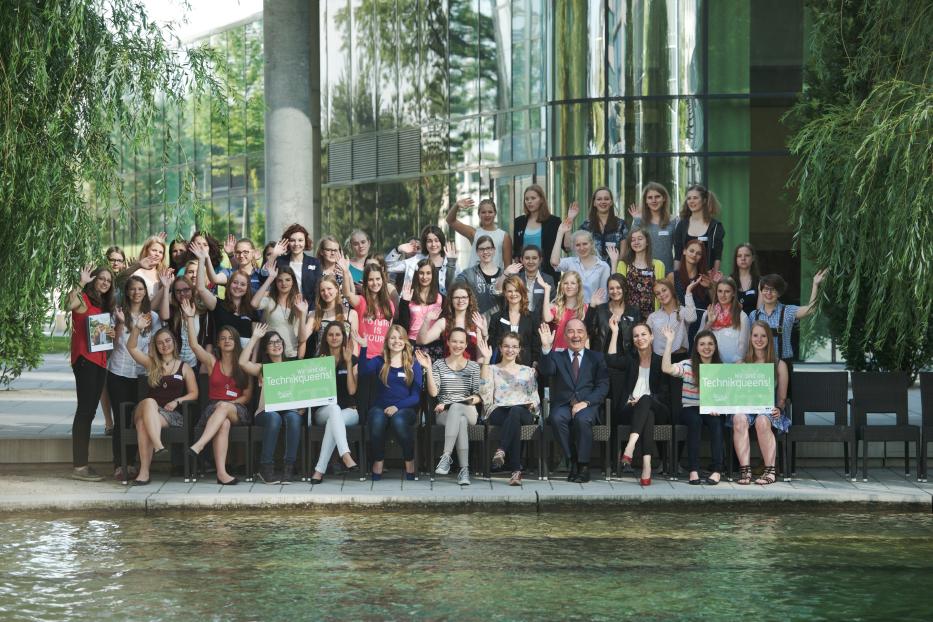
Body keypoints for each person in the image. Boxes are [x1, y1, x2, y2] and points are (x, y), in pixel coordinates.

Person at [183, 301, 253, 485]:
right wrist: (190, 318)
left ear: (236, 341)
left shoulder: (244, 364)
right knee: (224, 424)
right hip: (214, 410)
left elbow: (247, 396)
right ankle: (222, 474)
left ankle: (199, 445)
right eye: (223, 338)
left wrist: (230, 404)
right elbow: (194, 346)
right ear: (218, 343)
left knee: (223, 408)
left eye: (230, 338)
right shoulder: (212, 362)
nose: (227, 340)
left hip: (239, 410)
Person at [125, 320, 198, 485]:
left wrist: (178, 401)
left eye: (167, 341)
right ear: (155, 346)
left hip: (168, 415)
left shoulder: (184, 367)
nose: (164, 345)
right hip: (144, 408)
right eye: (160, 343)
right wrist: (137, 328)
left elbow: (194, 393)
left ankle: (144, 473)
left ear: (173, 342)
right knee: (149, 402)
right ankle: (158, 446)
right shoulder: (151, 364)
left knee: (144, 425)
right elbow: (131, 347)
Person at [537, 319, 610, 483]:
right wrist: (546, 348)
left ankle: (583, 467)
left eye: (580, 331)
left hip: (587, 405)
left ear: (586, 335)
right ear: (564, 335)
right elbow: (547, 370)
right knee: (556, 418)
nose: (575, 335)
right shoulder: (556, 356)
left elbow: (603, 386)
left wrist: (586, 403)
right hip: (563, 405)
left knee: (582, 419)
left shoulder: (596, 357)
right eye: (570, 331)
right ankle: (573, 460)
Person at [238, 323, 306, 484]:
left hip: (289, 410)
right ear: (266, 349)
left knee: (295, 418)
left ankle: (289, 468)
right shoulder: (263, 368)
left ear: (283, 344)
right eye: (271, 343)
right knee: (275, 418)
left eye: (278, 341)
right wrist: (255, 337)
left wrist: (303, 406)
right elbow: (242, 363)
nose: (276, 345)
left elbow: (304, 389)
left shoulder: (292, 367)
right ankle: (266, 468)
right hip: (266, 413)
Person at [107, 275, 160, 480]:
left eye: (140, 289)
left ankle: (135, 462)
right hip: (119, 371)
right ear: (126, 292)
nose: (136, 293)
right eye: (132, 289)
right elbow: (110, 344)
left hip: (141, 374)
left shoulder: (152, 318)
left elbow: (155, 347)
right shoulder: (118, 313)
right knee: (121, 420)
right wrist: (120, 323)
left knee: (136, 419)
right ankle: (121, 464)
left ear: (145, 292)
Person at [68, 264, 116, 481]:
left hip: (99, 362)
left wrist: (110, 333)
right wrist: (81, 281)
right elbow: (69, 302)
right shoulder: (83, 300)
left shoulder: (103, 306)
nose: (105, 282)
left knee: (89, 412)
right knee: (85, 411)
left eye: (108, 280)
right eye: (101, 278)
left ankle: (82, 464)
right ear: (94, 280)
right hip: (85, 361)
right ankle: (80, 467)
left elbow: (100, 337)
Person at [609, 321, 671, 487]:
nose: (639, 338)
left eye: (643, 334)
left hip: (658, 408)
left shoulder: (659, 361)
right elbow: (611, 360)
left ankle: (630, 446)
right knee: (646, 413)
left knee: (646, 400)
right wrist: (615, 332)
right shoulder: (630, 360)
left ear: (651, 337)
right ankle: (647, 466)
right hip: (630, 409)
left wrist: (670, 341)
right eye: (636, 335)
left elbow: (664, 394)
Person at [357, 324, 423, 481]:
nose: (396, 341)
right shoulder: (380, 361)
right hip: (380, 407)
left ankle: (409, 460)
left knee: (398, 420)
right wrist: (364, 347)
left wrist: (397, 407)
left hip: (405, 409)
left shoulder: (413, 364)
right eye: (392, 338)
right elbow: (363, 371)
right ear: (386, 341)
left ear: (406, 341)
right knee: (376, 419)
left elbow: (416, 397)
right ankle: (378, 460)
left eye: (400, 338)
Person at [660, 327, 724, 485]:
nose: (706, 347)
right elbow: (666, 368)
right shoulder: (688, 365)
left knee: (717, 424)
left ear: (715, 347)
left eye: (710, 344)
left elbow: (725, 396)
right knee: (695, 421)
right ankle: (694, 470)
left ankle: (717, 470)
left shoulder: (721, 367)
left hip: (711, 409)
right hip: (690, 408)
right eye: (702, 344)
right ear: (696, 347)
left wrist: (719, 408)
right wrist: (669, 342)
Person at [729, 321, 790, 486]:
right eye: (755, 335)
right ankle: (745, 470)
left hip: (768, 410)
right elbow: (733, 393)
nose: (759, 339)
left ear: (769, 339)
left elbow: (782, 399)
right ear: (750, 338)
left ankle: (770, 470)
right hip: (746, 408)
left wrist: (779, 408)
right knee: (739, 418)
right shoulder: (741, 364)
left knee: (763, 421)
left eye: (763, 336)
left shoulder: (779, 364)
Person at [476, 332, 540, 485]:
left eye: (514, 347)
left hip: (524, 411)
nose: (510, 350)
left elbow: (535, 397)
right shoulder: (491, 369)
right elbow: (484, 394)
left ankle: (502, 450)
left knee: (516, 411)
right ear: (500, 348)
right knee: (514, 417)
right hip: (499, 411)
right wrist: (485, 360)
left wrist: (532, 404)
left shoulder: (528, 371)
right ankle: (516, 472)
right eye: (506, 346)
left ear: (519, 350)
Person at [423, 328, 482, 486]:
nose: (457, 345)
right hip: (445, 415)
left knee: (457, 409)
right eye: (454, 341)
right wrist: (428, 368)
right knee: (460, 421)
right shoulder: (439, 364)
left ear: (466, 344)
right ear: (448, 343)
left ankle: (446, 456)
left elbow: (477, 397)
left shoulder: (474, 367)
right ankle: (464, 472)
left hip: (468, 411)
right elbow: (434, 392)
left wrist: (452, 403)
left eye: (461, 342)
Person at [309, 322, 361, 483]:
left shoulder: (352, 359)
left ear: (343, 337)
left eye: (337, 334)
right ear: (326, 338)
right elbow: (317, 393)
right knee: (333, 408)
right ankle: (346, 454)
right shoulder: (319, 359)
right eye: (330, 334)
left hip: (349, 412)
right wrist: (325, 369)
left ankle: (319, 471)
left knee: (335, 416)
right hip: (323, 411)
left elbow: (352, 391)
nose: (334, 338)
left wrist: (348, 362)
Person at [749, 270, 828, 372]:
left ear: (779, 293)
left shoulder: (787, 311)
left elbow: (811, 309)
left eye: (773, 290)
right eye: (765, 289)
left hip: (783, 365)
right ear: (761, 291)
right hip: (759, 366)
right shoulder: (753, 315)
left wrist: (815, 284)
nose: (768, 293)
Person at [585, 274, 641, 410]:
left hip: (625, 362)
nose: (615, 291)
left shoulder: (634, 311)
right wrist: (592, 306)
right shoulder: (600, 309)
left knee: (620, 401)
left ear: (624, 289)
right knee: (604, 401)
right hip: (603, 360)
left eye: (618, 287)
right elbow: (587, 330)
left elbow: (637, 336)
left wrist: (632, 359)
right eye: (611, 288)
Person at [190, 244, 255, 345]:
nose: (238, 286)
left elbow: (255, 339)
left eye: (242, 284)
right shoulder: (218, 304)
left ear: (247, 288)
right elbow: (201, 289)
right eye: (235, 282)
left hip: (245, 358)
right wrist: (202, 259)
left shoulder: (251, 309)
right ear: (228, 284)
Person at [607, 227, 666, 320]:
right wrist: (614, 262)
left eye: (640, 238)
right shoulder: (624, 265)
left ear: (647, 242)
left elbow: (662, 292)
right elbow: (616, 284)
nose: (636, 242)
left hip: (652, 316)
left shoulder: (658, 265)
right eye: (633, 240)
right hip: (629, 316)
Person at [250, 264, 306, 358]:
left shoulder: (299, 303)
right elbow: (254, 304)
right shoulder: (269, 301)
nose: (284, 283)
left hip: (292, 355)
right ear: (275, 283)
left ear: (293, 282)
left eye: (288, 280)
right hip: (272, 355)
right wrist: (270, 279)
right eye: (280, 280)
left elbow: (302, 338)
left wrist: (302, 313)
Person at [417, 282, 484, 361]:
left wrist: (479, 370)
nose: (460, 300)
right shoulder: (444, 322)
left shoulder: (476, 321)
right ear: (451, 300)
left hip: (470, 370)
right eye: (456, 297)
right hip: (448, 370)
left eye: (464, 297)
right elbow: (422, 341)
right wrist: (427, 320)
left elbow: (481, 352)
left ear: (469, 300)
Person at [385, 225, 458, 295]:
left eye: (436, 240)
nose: (433, 244)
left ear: (441, 242)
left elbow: (454, 289)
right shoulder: (416, 261)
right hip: (417, 306)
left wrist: (451, 263)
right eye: (429, 241)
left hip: (444, 306)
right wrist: (398, 249)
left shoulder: (451, 263)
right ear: (425, 243)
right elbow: (388, 267)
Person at [395, 259, 444, 359]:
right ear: (417, 274)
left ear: (433, 275)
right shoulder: (409, 295)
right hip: (412, 343)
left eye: (428, 273)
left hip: (434, 342)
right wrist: (404, 302)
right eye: (421, 273)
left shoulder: (440, 298)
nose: (424, 277)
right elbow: (402, 326)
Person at [487, 276, 541, 366]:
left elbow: (536, 344)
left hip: (526, 366)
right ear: (505, 293)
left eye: (516, 290)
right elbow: (492, 344)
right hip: (501, 366)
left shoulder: (532, 317)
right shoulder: (496, 317)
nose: (513, 294)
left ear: (522, 292)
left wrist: (535, 363)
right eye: (509, 291)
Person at [564, 187, 627, 263]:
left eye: (606, 199)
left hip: (614, 272)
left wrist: (615, 271)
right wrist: (570, 219)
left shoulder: (621, 225)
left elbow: (623, 254)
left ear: (611, 202)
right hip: (591, 272)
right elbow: (568, 247)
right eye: (599, 199)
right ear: (594, 203)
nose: (603, 202)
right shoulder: (586, 226)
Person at [513, 184, 562, 280]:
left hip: (548, 273)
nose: (529, 202)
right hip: (524, 274)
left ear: (541, 200)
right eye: (526, 199)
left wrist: (569, 222)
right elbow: (516, 252)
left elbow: (567, 246)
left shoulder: (554, 221)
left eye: (533, 198)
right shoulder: (519, 221)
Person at [550, 221, 610, 301]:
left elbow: (604, 295)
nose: (582, 248)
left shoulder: (603, 266)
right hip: (572, 310)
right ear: (573, 247)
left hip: (593, 310)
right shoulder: (570, 262)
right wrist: (560, 233)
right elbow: (554, 262)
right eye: (578, 245)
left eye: (585, 244)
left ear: (591, 244)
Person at [446, 197, 511, 269]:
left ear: (495, 213)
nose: (487, 215)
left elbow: (508, 267)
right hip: (474, 279)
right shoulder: (473, 233)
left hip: (495, 279)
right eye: (483, 212)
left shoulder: (504, 236)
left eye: (490, 212)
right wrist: (456, 205)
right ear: (478, 214)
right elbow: (450, 221)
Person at [673, 185, 725, 272]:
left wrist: (713, 281)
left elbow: (717, 257)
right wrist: (676, 278)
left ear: (704, 200)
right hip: (685, 277)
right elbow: (678, 255)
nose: (691, 201)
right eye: (689, 198)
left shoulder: (715, 226)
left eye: (695, 198)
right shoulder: (681, 225)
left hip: (706, 277)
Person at [629, 182, 678, 274]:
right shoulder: (639, 220)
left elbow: (679, 249)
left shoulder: (674, 221)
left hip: (667, 272)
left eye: (657, 196)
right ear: (646, 201)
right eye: (650, 198)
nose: (654, 200)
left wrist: (674, 272)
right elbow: (632, 245)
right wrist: (636, 220)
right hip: (643, 273)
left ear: (664, 198)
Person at [269, 224, 321, 307]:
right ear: (287, 242)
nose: (296, 244)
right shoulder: (280, 261)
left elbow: (318, 289)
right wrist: (274, 255)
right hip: (284, 307)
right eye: (292, 240)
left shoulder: (315, 263)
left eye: (300, 240)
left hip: (309, 308)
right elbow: (264, 277)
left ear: (305, 241)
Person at [646, 278, 698, 359]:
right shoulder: (653, 317)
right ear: (656, 297)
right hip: (658, 359)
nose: (662, 295)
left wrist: (688, 292)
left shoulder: (683, 311)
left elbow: (692, 318)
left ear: (671, 290)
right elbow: (647, 340)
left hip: (679, 358)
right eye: (658, 293)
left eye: (664, 290)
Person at [305, 275, 358, 356]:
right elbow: (302, 338)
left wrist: (353, 366)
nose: (326, 293)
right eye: (322, 290)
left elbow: (354, 345)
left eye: (329, 289)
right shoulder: (315, 314)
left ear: (337, 289)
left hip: (343, 363)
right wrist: (302, 314)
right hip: (322, 364)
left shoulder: (351, 314)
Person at [700, 278, 749, 363]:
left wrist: (735, 364)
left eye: (727, 291)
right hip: (711, 365)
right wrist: (709, 323)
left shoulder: (742, 316)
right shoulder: (708, 313)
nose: (723, 295)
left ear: (733, 293)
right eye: (720, 291)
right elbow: (698, 339)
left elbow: (743, 345)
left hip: (733, 366)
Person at [674, 239, 713, 346]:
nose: (694, 255)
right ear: (684, 251)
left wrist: (710, 287)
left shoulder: (706, 278)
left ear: (701, 257)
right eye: (691, 251)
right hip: (681, 324)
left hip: (702, 326)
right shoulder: (673, 276)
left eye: (698, 253)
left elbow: (715, 305)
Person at [494, 245, 554, 314]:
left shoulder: (548, 279)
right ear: (521, 260)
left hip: (540, 321)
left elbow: (552, 303)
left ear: (540, 260)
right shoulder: (516, 278)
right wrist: (506, 273)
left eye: (534, 258)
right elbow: (498, 290)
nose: (530, 261)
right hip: (519, 320)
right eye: (527, 258)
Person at [454, 234, 502, 317]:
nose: (485, 252)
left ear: (494, 250)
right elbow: (452, 286)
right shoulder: (469, 274)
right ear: (477, 252)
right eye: (481, 249)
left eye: (488, 248)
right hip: (475, 323)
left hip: (498, 325)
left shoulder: (502, 274)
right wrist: (451, 263)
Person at [544, 271, 585, 351]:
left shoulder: (584, 308)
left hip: (576, 354)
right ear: (561, 286)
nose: (569, 286)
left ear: (578, 286)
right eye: (565, 283)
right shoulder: (556, 307)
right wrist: (547, 291)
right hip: (558, 353)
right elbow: (547, 318)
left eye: (573, 283)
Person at [731, 243, 761, 315]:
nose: (743, 258)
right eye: (739, 256)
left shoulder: (760, 281)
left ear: (753, 258)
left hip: (754, 323)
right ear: (736, 259)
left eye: (747, 255)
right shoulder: (730, 280)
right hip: (733, 323)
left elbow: (759, 311)